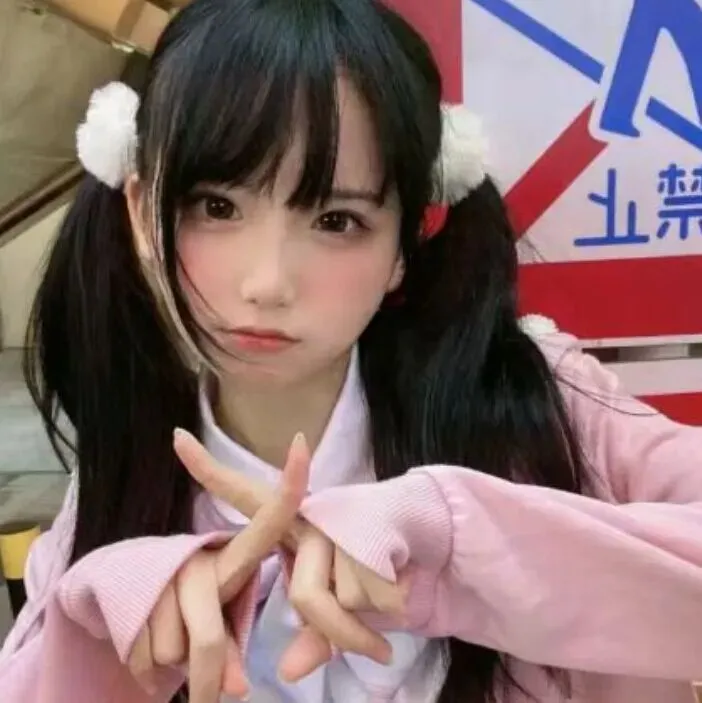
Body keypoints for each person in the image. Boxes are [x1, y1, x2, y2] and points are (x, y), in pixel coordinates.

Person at [1, 0, 701, 701]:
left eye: (337, 220)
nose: (267, 283)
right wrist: (94, 637)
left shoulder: (536, 402)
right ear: (139, 212)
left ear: (404, 246)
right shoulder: (122, 479)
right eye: (216, 207)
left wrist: (461, 536)